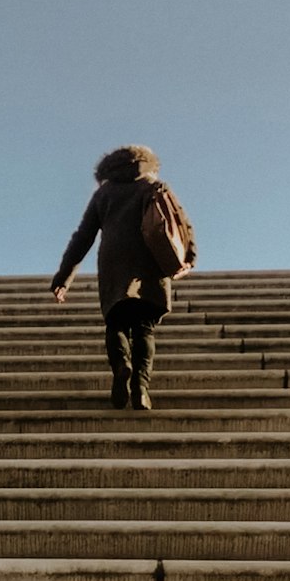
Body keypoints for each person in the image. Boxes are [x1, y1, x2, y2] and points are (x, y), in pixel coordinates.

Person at [51, 145, 196, 411]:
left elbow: (83, 236)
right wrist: (189, 258)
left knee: (116, 323)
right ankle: (141, 387)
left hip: (114, 264)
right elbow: (181, 223)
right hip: (149, 263)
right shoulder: (154, 185)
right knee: (144, 329)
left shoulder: (103, 193)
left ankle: (121, 365)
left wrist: (64, 276)